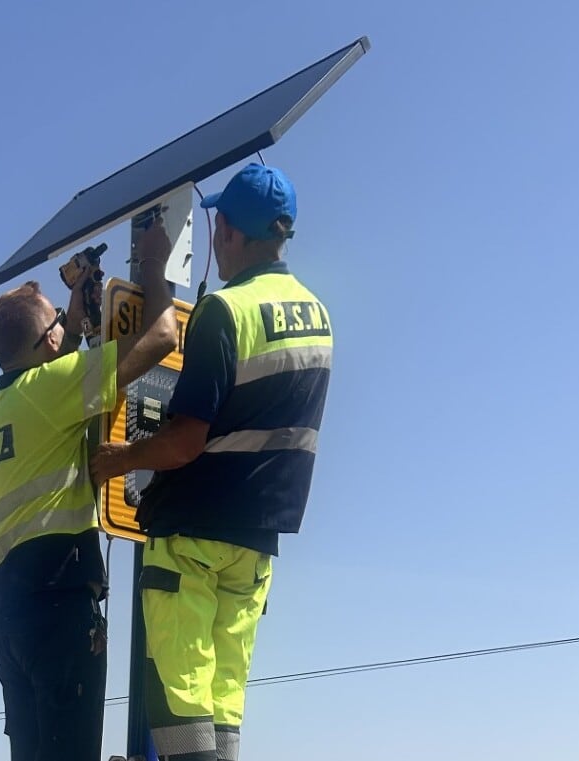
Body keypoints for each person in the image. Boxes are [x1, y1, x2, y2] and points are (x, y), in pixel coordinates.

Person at [90, 164, 334, 761]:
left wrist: (119, 459)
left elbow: (184, 441)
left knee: (179, 699)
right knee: (223, 701)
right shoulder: (318, 317)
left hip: (192, 533)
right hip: (255, 543)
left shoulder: (227, 312)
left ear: (226, 230)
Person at [0, 220, 178, 761]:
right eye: (58, 323)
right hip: (61, 601)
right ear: (49, 342)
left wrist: (72, 306)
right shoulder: (52, 389)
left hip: (11, 610)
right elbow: (161, 337)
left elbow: (50, 368)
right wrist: (154, 265)